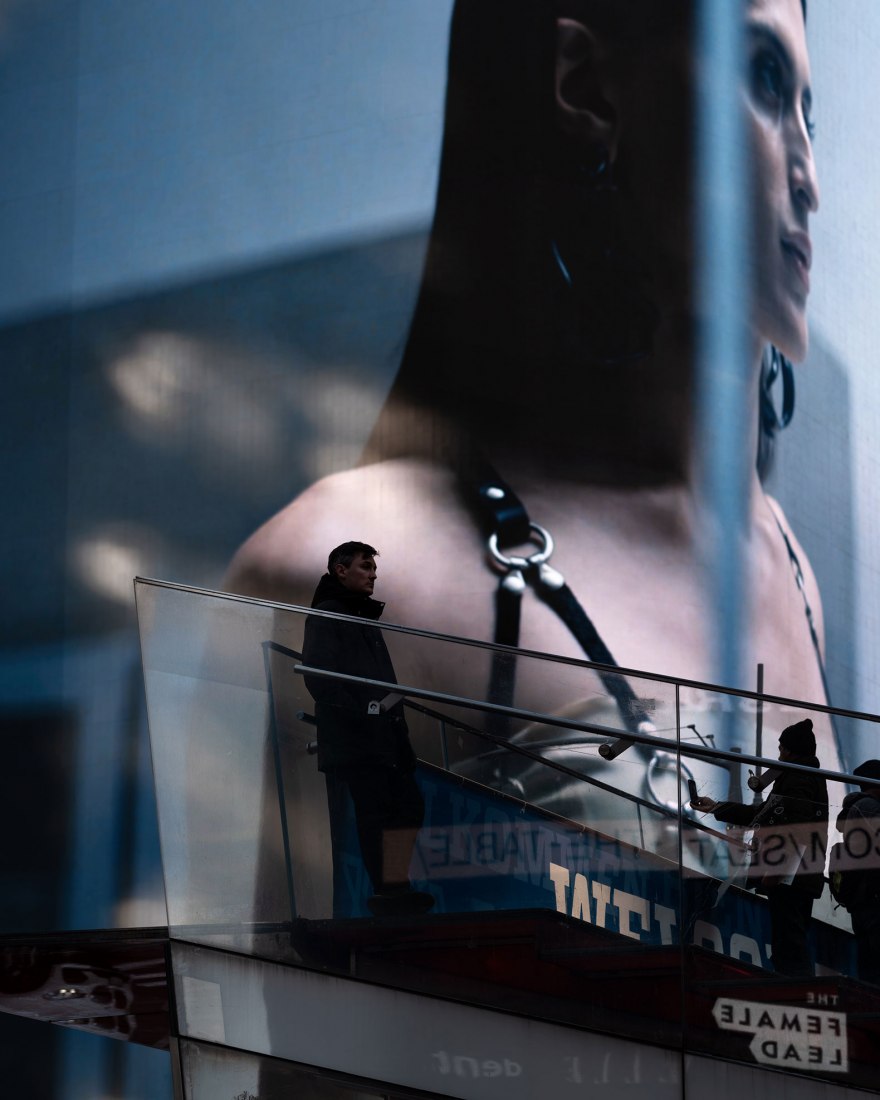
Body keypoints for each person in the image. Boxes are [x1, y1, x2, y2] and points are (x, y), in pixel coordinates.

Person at [226, 0, 837, 846]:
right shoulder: (350, 565)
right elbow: (273, 973)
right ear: (584, 85)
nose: (811, 174)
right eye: (765, 78)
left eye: (811, 110)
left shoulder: (788, 567)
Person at [302, 541, 433, 916]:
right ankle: (390, 890)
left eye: (374, 568)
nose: (373, 574)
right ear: (340, 570)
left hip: (381, 735)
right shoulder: (331, 614)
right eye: (365, 566)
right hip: (361, 737)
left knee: (405, 805)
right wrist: (366, 712)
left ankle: (394, 887)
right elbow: (318, 676)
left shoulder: (358, 616)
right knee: (379, 810)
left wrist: (391, 726)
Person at [691, 718, 828, 976]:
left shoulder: (798, 779)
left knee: (789, 946)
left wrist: (776, 871)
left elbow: (797, 831)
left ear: (789, 750)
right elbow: (765, 814)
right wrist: (717, 807)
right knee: (790, 943)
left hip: (791, 879)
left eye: (781, 749)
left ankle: (795, 996)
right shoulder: (802, 777)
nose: (778, 755)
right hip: (799, 877)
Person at [835, 759, 880, 984]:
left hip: (861, 900)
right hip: (873, 899)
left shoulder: (856, 808)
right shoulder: (870, 808)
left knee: (869, 968)